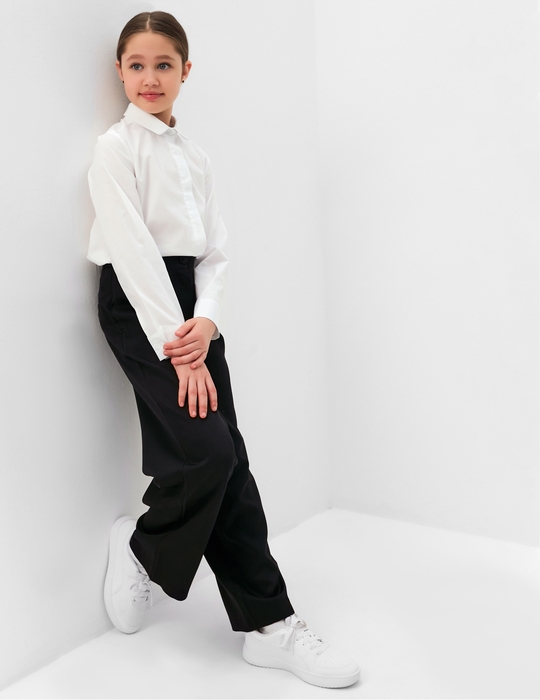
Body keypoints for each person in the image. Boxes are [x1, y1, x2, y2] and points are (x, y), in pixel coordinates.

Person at [87, 10, 360, 689]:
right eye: (137, 65)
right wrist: (180, 348)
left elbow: (216, 255)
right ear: (120, 71)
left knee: (225, 455)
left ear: (186, 71)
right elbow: (132, 252)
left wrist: (206, 323)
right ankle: (146, 550)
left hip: (192, 313)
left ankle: (269, 625)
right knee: (209, 452)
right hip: (139, 303)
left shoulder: (197, 158)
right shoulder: (115, 149)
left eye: (164, 64)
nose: (150, 78)